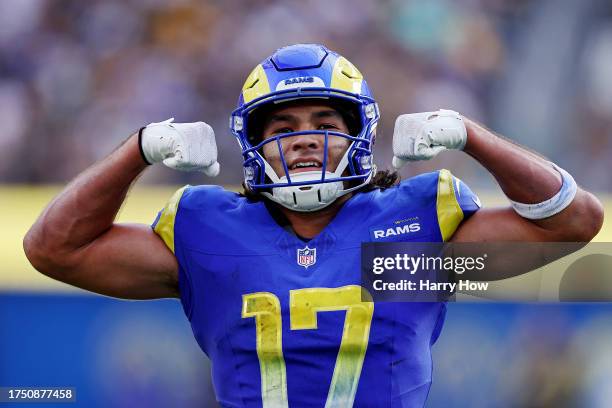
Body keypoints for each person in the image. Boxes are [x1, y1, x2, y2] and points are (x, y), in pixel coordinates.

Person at [24, 44, 603, 407]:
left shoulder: (416, 231)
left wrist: (471, 136)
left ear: (361, 134)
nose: (304, 135)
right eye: (283, 125)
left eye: (325, 119)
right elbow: (53, 248)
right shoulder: (206, 228)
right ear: (254, 144)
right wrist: (140, 149)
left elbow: (572, 221)